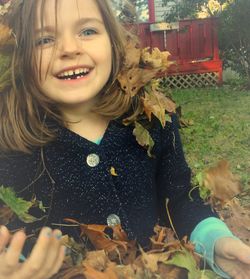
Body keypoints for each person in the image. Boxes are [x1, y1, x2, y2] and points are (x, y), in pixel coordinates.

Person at [0, 0, 250, 278]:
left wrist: (217, 242)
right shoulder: (9, 144)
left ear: (113, 40)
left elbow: (179, 200)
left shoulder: (152, 120)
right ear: (21, 56)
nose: (69, 49)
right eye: (44, 39)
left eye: (87, 31)